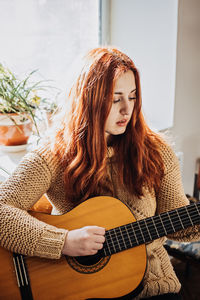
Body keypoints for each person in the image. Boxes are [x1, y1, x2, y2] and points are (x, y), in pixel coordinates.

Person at [0, 47, 199, 300]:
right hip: (80, 289)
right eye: (116, 99)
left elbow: (177, 222)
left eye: (133, 97)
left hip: (154, 286)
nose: (127, 110)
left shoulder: (157, 152)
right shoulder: (53, 156)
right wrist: (64, 241)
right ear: (88, 99)